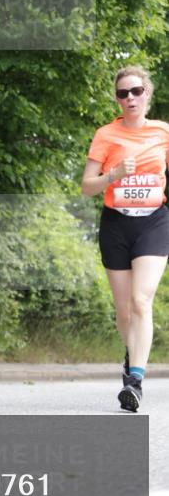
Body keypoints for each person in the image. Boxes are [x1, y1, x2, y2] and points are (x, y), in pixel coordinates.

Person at [81, 66, 169, 412]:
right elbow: (87, 187)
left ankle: (135, 380)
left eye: (135, 91)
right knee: (123, 309)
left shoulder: (163, 132)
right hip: (116, 223)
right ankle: (132, 354)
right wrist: (113, 174)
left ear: (146, 93)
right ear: (117, 99)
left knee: (140, 301)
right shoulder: (105, 135)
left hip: (154, 222)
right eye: (122, 94)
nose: (129, 98)